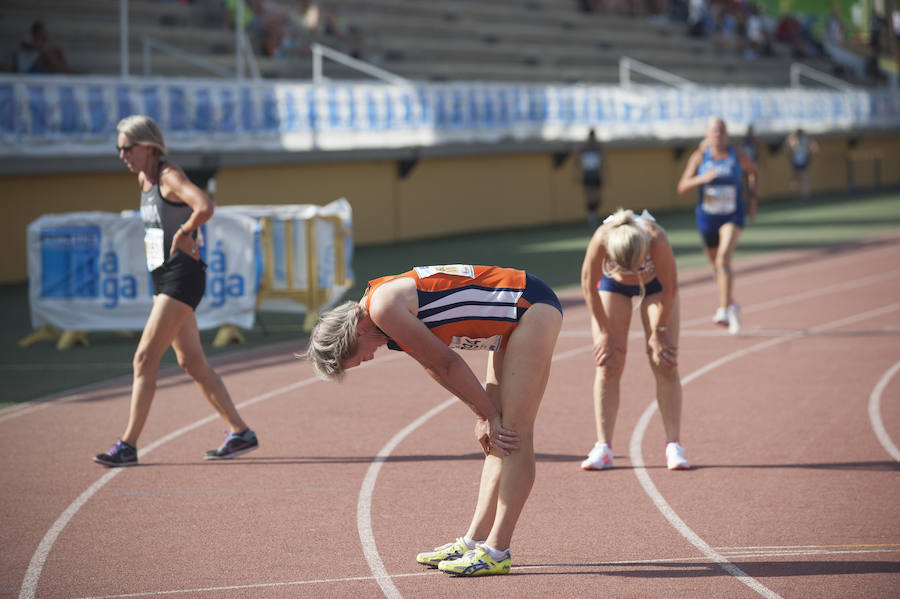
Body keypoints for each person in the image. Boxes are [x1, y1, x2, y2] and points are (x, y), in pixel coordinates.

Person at [305, 264, 562, 576]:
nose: (368, 359)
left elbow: (447, 362)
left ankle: (497, 551)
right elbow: (433, 363)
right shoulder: (379, 315)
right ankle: (474, 541)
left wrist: (486, 414)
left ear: (356, 332)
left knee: (513, 434)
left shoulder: (384, 308)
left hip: (529, 308)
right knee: (498, 438)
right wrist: (483, 414)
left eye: (359, 358)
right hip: (509, 321)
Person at [93, 115, 259, 467]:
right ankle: (240, 431)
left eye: (127, 148)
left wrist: (185, 232)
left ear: (149, 146)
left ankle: (127, 445)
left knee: (144, 358)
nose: (122, 155)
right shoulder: (143, 178)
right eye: (118, 149)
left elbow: (205, 206)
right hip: (164, 277)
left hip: (182, 276)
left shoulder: (169, 176)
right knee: (191, 362)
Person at [579, 208, 689, 473]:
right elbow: (588, 288)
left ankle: (673, 445)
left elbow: (670, 288)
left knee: (664, 361)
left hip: (657, 289)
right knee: (608, 362)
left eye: (638, 265)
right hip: (613, 288)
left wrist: (659, 332)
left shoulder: (656, 239)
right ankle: (603, 447)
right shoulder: (601, 238)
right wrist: (605, 332)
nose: (633, 271)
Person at [676, 116, 758, 335]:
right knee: (717, 268)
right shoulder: (700, 156)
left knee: (724, 258)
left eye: (721, 130)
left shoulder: (737, 155)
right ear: (707, 134)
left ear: (726, 133)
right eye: (714, 131)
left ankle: (723, 309)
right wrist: (701, 179)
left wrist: (752, 199)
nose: (718, 134)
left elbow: (753, 172)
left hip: (732, 215)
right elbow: (682, 186)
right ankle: (732, 305)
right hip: (707, 218)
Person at [575, 128, 605, 228]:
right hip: (588, 174)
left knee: (598, 196)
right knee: (589, 196)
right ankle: (591, 216)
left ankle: (594, 213)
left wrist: (604, 174)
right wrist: (577, 175)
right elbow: (578, 161)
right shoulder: (584, 148)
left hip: (596, 174)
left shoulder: (598, 148)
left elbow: (603, 162)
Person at [785, 128, 818, 203]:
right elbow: (814, 149)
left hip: (799, 162)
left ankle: (803, 197)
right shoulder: (803, 139)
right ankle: (803, 197)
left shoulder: (799, 140)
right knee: (799, 181)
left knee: (800, 181)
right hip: (800, 162)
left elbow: (814, 149)